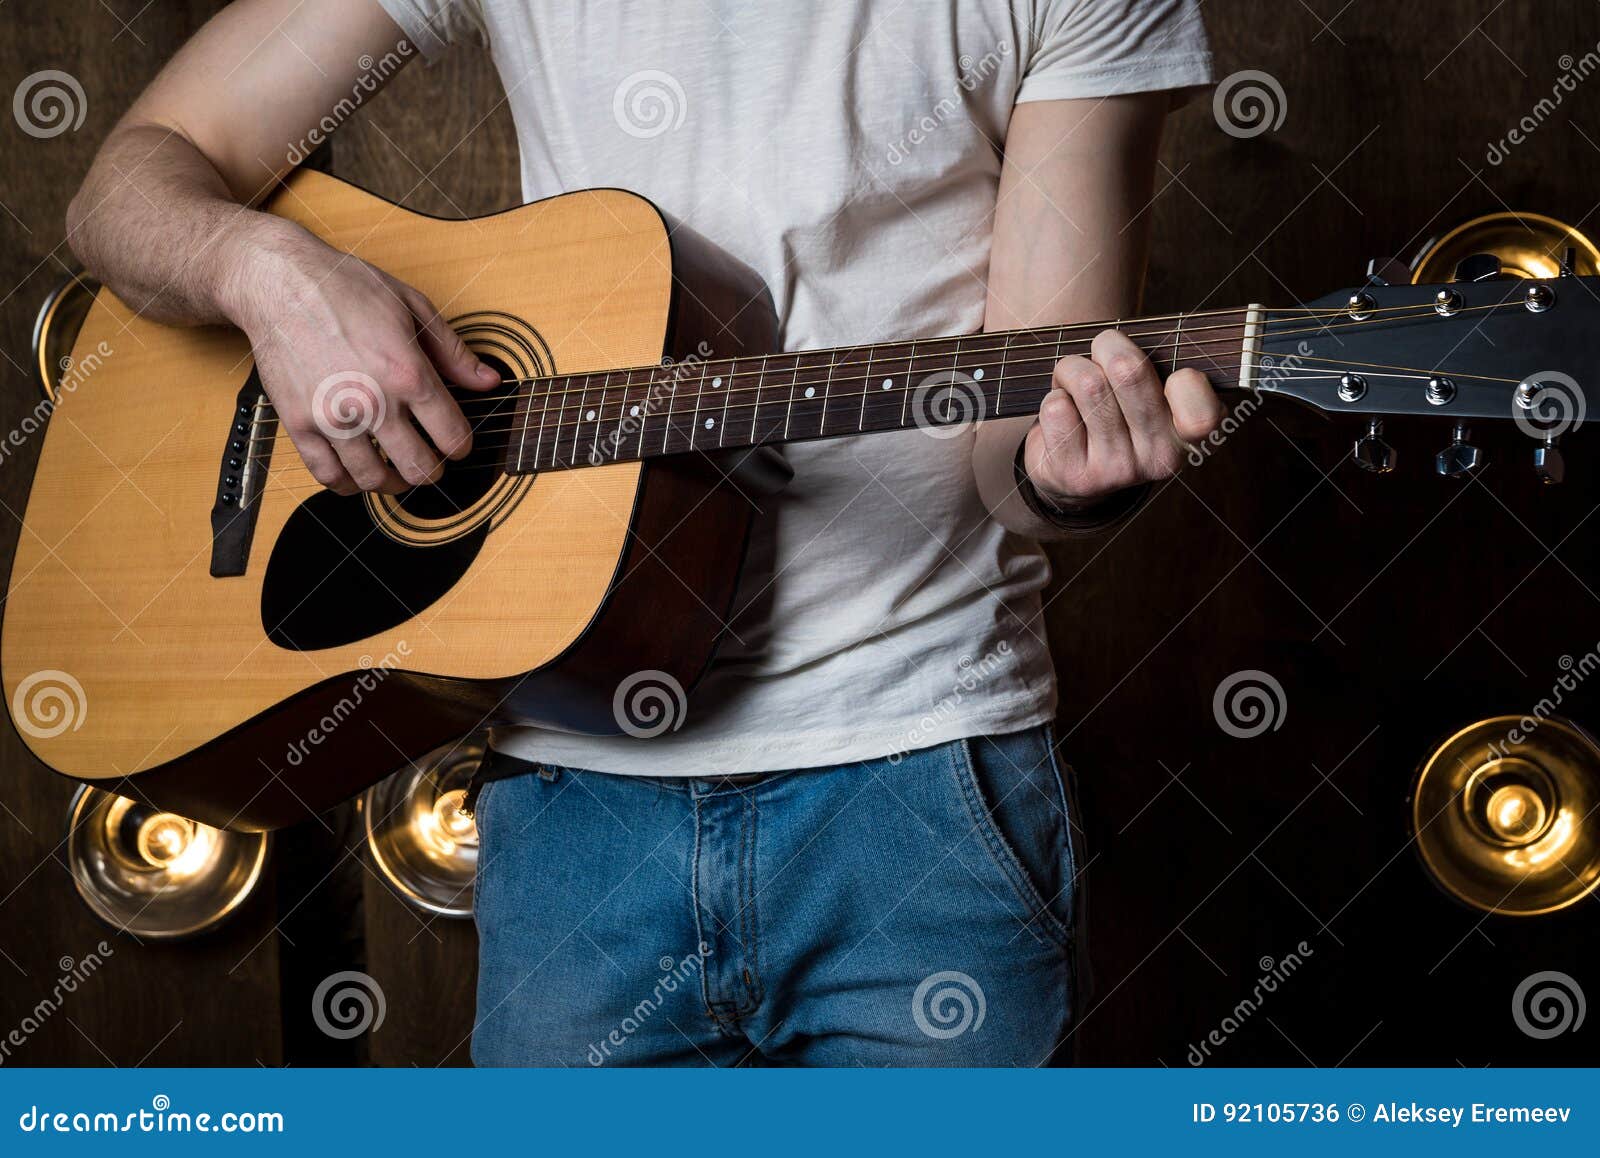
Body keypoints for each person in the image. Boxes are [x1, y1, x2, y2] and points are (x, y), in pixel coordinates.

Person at [68, 0, 1221, 1065]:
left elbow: (1015, 455)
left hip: (923, 798)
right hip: (577, 797)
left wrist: (1069, 479)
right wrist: (267, 272)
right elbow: (126, 188)